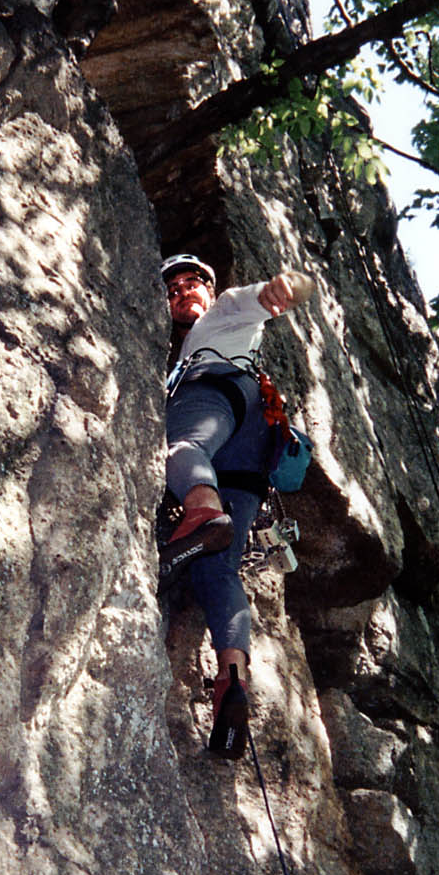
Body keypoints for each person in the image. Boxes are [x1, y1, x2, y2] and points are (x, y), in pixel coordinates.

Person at [158, 253, 314, 761]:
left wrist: (283, 288)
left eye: (191, 283)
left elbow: (259, 298)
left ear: (209, 287)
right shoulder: (201, 340)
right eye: (173, 289)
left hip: (219, 397)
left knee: (183, 451)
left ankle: (201, 508)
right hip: (250, 453)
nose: (183, 293)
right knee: (217, 572)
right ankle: (233, 681)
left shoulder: (221, 313)